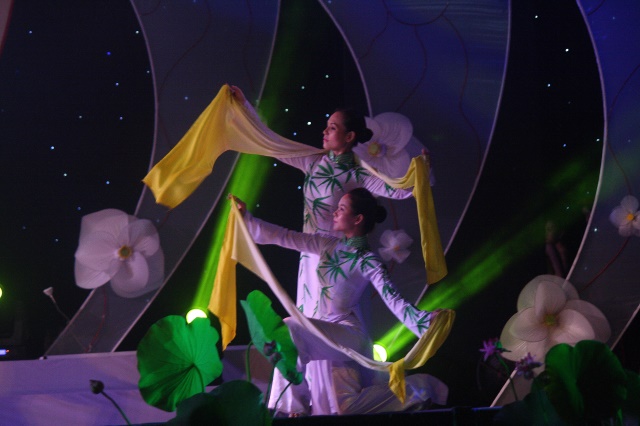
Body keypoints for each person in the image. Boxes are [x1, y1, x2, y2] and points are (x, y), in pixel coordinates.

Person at [228, 86, 425, 414]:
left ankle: (334, 402)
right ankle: (296, 405)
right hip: (312, 255)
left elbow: (398, 189)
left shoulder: (360, 174)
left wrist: (420, 175)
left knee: (330, 332)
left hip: (345, 261)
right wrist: (243, 107)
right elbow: (271, 143)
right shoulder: (314, 162)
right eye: (327, 126)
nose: (325, 131)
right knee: (303, 330)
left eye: (332, 127)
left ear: (349, 136)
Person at [235, 188, 448, 416]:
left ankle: (291, 410)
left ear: (357, 219)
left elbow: (393, 299)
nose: (334, 212)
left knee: (290, 327)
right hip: (327, 333)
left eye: (342, 208)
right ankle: (418, 389)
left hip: (348, 334)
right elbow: (285, 236)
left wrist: (425, 320)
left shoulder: (367, 260)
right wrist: (247, 219)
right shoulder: (327, 245)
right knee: (345, 408)